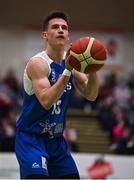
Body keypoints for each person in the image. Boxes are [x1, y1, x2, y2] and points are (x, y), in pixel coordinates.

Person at [15, 11, 99, 179]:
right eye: (55, 27)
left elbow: (91, 95)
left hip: (56, 140)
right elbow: (46, 101)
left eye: (64, 28)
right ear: (45, 35)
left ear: (68, 36)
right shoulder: (38, 63)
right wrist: (67, 70)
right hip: (32, 138)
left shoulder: (71, 63)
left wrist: (93, 69)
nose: (60, 30)